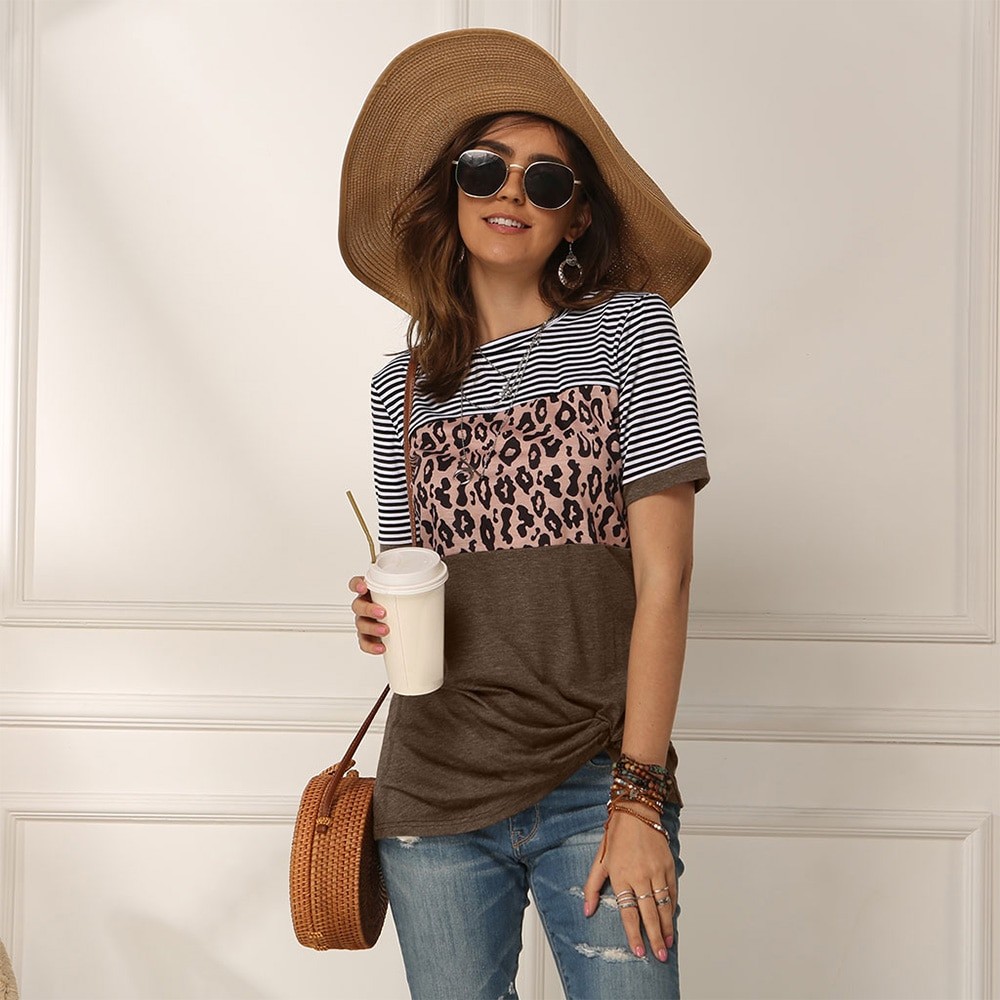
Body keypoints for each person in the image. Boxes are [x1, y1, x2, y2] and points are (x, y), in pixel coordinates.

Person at [342, 28, 711, 1000]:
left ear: (577, 215)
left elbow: (666, 580)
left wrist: (638, 796)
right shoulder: (400, 391)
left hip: (598, 778)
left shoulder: (631, 333)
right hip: (433, 789)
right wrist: (378, 614)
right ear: (451, 188)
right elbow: (420, 586)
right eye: (485, 167)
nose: (510, 192)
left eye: (546, 181)